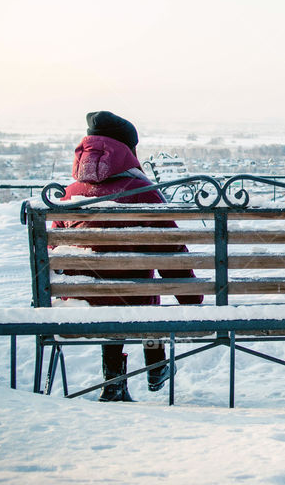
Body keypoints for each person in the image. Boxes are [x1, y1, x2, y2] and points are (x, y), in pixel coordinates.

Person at [51, 111, 202, 402]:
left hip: (84, 298)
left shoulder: (71, 192)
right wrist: (190, 297)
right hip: (134, 298)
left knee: (110, 294)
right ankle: (156, 366)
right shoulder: (141, 191)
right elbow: (170, 252)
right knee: (142, 290)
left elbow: (55, 253)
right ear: (127, 150)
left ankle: (114, 383)